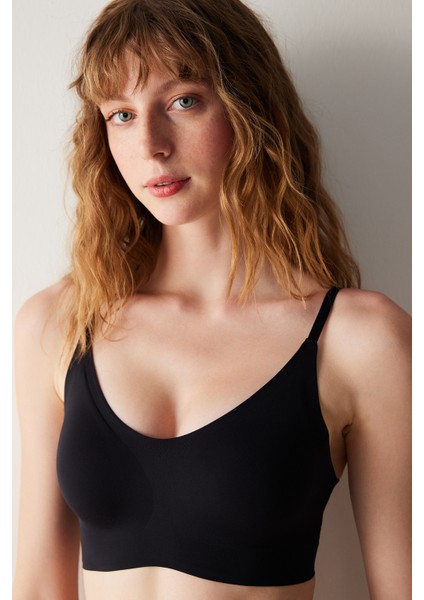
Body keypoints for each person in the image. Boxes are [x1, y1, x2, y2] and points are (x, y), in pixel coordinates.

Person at [13, 0, 411, 599]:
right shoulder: (60, 323)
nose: (151, 144)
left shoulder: (361, 340)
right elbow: (39, 586)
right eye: (121, 114)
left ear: (250, 108)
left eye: (183, 101)